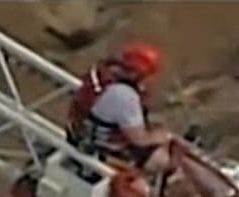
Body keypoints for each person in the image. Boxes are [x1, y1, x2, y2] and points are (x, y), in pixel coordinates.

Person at [65, 42, 175, 175]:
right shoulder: (125, 96)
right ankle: (142, 182)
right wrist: (163, 136)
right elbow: (139, 139)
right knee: (162, 159)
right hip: (98, 148)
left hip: (77, 133)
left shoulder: (102, 73)